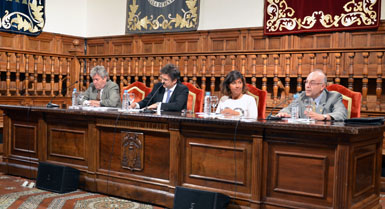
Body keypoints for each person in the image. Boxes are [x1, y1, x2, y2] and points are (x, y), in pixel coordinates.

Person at [276, 70, 347, 121]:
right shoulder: (301, 96)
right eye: (306, 82)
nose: (307, 86)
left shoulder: (333, 97)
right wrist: (284, 113)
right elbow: (288, 109)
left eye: (312, 83)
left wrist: (323, 117)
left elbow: (341, 114)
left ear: (322, 86)